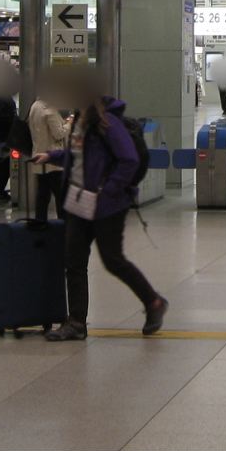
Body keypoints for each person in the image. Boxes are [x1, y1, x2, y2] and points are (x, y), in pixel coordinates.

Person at [32, 68, 168, 341]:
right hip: (78, 202)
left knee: (113, 261)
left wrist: (109, 190)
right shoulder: (81, 120)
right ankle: (76, 323)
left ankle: (153, 301)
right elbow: (79, 155)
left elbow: (128, 159)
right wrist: (52, 156)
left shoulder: (108, 123)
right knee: (74, 261)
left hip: (107, 205)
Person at [26, 91, 70, 221]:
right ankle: (63, 225)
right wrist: (70, 123)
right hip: (53, 159)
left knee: (43, 195)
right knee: (61, 195)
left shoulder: (35, 106)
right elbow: (59, 133)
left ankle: (40, 223)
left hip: (39, 156)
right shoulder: (49, 109)